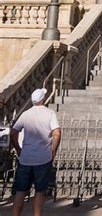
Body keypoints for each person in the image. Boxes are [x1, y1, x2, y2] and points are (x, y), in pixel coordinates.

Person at [10, 87, 61, 216]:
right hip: (43, 158)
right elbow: (57, 133)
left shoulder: (26, 114)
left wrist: (18, 148)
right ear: (43, 99)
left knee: (20, 191)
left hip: (26, 157)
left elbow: (14, 132)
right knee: (40, 191)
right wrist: (53, 150)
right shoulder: (49, 113)